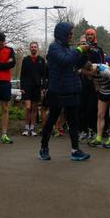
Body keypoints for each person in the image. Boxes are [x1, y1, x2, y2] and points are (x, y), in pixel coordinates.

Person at [38, 22, 90, 161]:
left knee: (74, 122)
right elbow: (65, 61)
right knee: (51, 120)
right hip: (58, 91)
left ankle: (75, 150)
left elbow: (77, 64)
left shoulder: (69, 49)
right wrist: (79, 50)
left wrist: (85, 53)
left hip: (72, 89)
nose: (72, 35)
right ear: (62, 33)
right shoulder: (54, 48)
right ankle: (43, 148)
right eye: (70, 32)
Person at [82, 62, 110, 148]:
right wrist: (98, 92)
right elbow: (95, 81)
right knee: (100, 115)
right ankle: (98, 138)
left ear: (91, 70)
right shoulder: (88, 71)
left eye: (88, 74)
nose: (87, 76)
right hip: (103, 92)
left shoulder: (104, 70)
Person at [20, 42, 46, 136]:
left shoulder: (41, 60)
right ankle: (26, 128)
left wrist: (43, 87)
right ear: (29, 48)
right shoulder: (25, 60)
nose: (33, 48)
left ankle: (32, 129)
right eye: (32, 47)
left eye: (35, 47)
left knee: (34, 108)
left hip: (37, 87)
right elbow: (22, 75)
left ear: (37, 48)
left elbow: (44, 75)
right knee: (28, 108)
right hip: (27, 87)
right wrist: (22, 87)